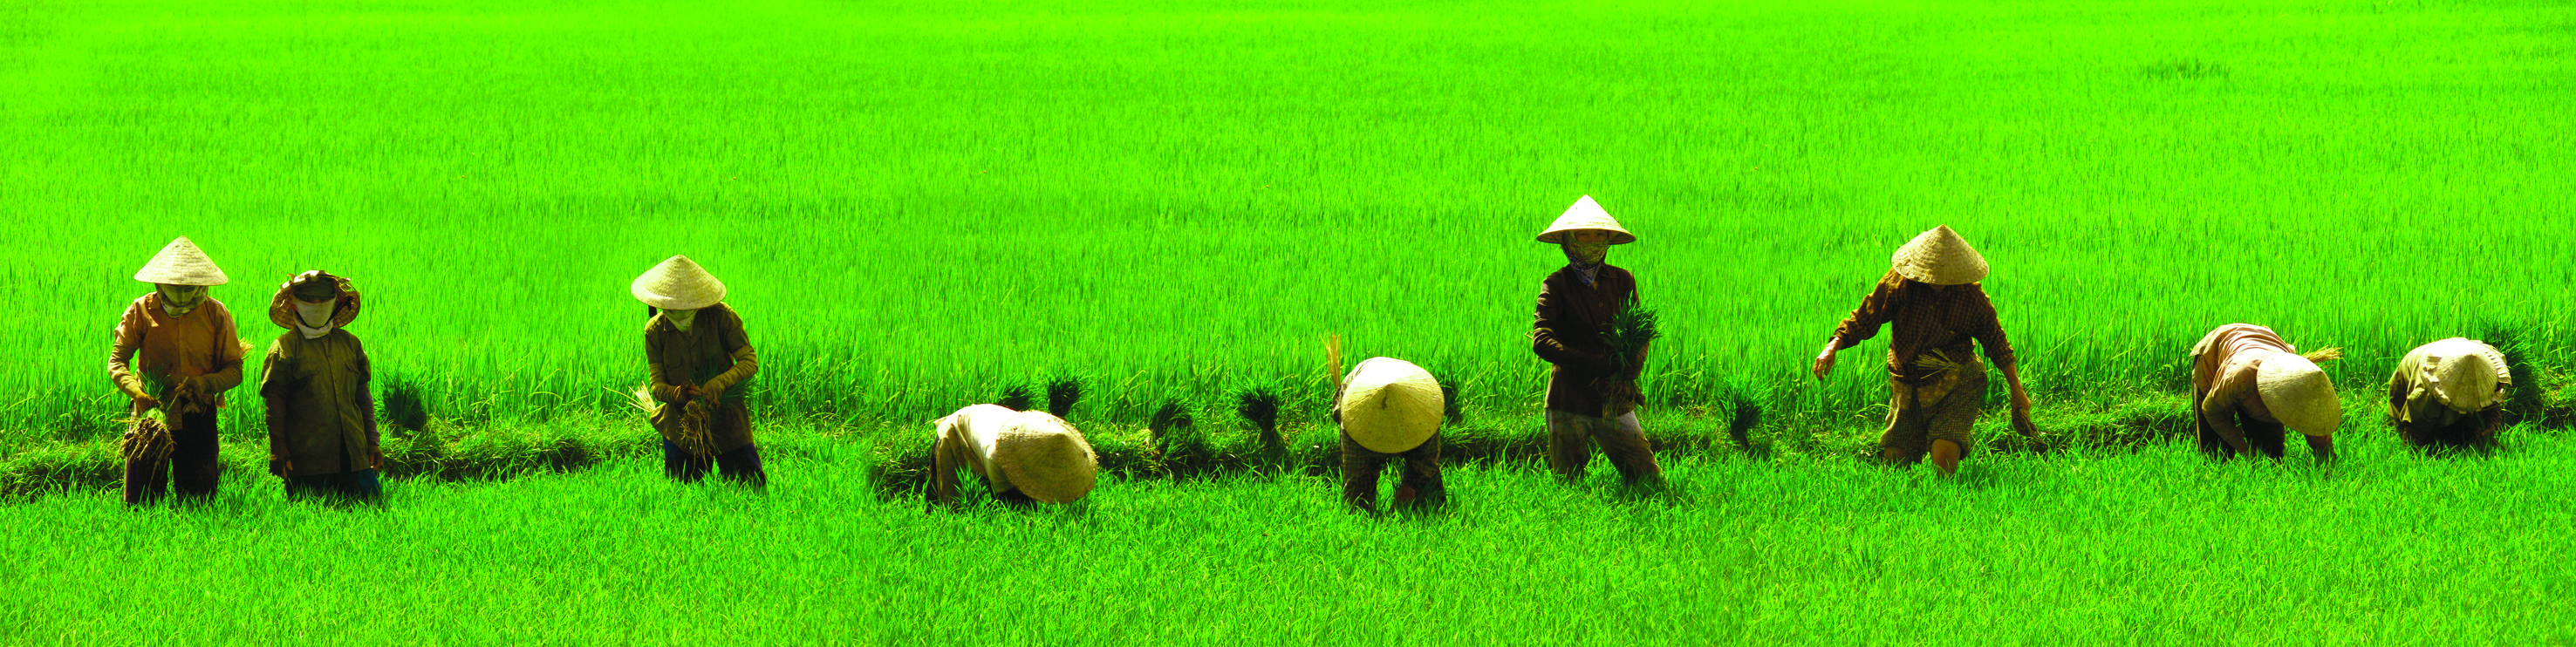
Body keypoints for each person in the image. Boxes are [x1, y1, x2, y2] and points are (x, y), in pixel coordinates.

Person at [1812, 225, 2041, 475]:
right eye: (1932, 273)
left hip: (1957, 380)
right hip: (1908, 383)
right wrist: (1832, 346)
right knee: (1895, 464)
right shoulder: (1898, 285)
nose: (1938, 281)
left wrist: (2017, 390)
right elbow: (1866, 316)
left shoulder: (1970, 296)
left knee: (1944, 457)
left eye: (1945, 275)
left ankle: (1947, 492)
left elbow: (1996, 341)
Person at [1528, 195, 1662, 487]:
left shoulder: (1623, 280)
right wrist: (1593, 363)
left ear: (1608, 240)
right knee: (1568, 483)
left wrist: (1634, 364)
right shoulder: (1556, 285)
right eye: (1584, 235)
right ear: (1568, 240)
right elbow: (1541, 339)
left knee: (1647, 478)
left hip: (1615, 399)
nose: (1592, 241)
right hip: (1569, 401)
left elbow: (1638, 331)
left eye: (1599, 234)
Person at [109, 236, 249, 505]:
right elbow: (117, 362)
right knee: (141, 498)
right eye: (175, 286)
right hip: (151, 412)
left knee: (199, 499)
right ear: (160, 284)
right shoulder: (141, 310)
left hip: (197, 410)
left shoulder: (215, 313)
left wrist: (204, 383)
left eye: (189, 287)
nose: (182, 293)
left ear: (201, 285)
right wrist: (137, 393)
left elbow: (234, 369)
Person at [633, 255, 766, 487]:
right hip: (683, 424)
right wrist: (678, 393)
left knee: (749, 487)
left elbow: (749, 361)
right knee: (684, 492)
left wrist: (720, 383)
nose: (679, 314)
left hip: (727, 417)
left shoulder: (722, 316)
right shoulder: (654, 331)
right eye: (671, 309)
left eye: (685, 309)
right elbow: (656, 385)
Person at [257, 271, 381, 501]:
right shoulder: (285, 348)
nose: (316, 305)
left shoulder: (350, 344)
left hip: (354, 454)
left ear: (335, 304)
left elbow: (363, 397)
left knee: (372, 506)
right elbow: (275, 403)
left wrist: (373, 442)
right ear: (294, 305)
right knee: (312, 512)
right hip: (308, 459)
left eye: (323, 300)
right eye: (309, 300)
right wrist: (277, 448)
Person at [2188, 323, 2342, 461]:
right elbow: (2211, 411)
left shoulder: (2304, 388)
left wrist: (2327, 460)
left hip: (2265, 347)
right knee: (2216, 455)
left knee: (2271, 456)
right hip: (2219, 351)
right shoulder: (2238, 378)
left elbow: (2318, 435)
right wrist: (2246, 451)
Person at [1332, 357, 1447, 513]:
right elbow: (1355, 474)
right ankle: (1360, 516)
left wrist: (1408, 491)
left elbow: (1426, 461)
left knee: (1426, 479)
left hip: (1408, 383)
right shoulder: (1353, 415)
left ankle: (1430, 510)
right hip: (1362, 388)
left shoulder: (1426, 411)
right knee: (1358, 485)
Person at [927, 405, 1098, 507]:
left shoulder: (1040, 435)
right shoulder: (997, 457)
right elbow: (1006, 500)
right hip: (957, 428)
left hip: (987, 422)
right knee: (948, 502)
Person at [2387, 337, 2510, 451]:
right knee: (2426, 433)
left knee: (2466, 433)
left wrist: (2491, 423)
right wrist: (2414, 454)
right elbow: (2414, 429)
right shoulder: (2425, 394)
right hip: (2412, 373)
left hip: (2457, 355)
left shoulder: (2485, 367)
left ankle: (2454, 430)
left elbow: (2491, 397)